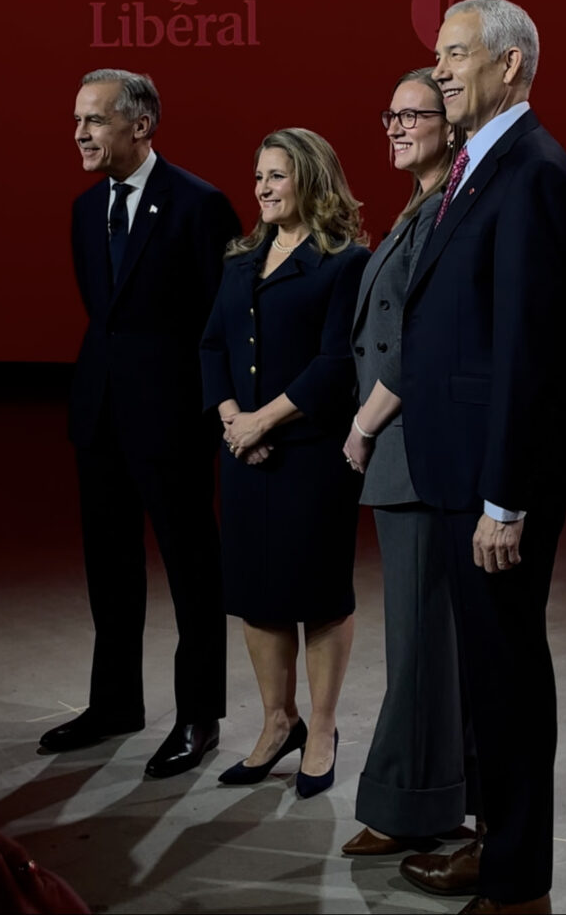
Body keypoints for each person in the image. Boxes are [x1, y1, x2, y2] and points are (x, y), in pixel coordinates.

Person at [397, 0, 566, 914]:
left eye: (454, 55)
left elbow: (528, 348)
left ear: (510, 66)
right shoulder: (480, 165)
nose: (438, 71)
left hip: (493, 483)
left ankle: (520, 888)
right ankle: (493, 842)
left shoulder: (532, 171)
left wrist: (503, 500)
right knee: (486, 676)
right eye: (435, 55)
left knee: (509, 682)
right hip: (459, 472)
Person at [39, 69, 242, 779]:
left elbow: (219, 323)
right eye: (77, 121)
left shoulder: (199, 206)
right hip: (99, 416)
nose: (80, 135)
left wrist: (217, 412)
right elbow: (107, 320)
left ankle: (198, 716)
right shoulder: (80, 210)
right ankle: (115, 702)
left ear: (141, 124)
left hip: (175, 421)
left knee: (192, 570)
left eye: (93, 121)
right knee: (110, 568)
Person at [199, 128, 369, 797]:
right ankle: (278, 723)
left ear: (310, 179)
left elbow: (336, 364)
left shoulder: (343, 262)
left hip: (310, 455)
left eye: (277, 175)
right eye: (258, 176)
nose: (263, 187)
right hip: (244, 450)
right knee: (256, 594)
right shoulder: (240, 259)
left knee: (318, 595)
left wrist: (261, 421)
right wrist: (231, 422)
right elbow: (211, 346)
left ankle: (321, 730)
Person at [339, 68, 481, 858]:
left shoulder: (442, 213)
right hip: (405, 458)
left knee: (421, 645)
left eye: (411, 115)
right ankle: (427, 800)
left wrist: (362, 425)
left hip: (413, 455)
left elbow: (419, 344)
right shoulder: (420, 207)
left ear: (449, 124)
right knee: (426, 641)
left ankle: (412, 810)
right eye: (387, 114)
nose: (392, 127)